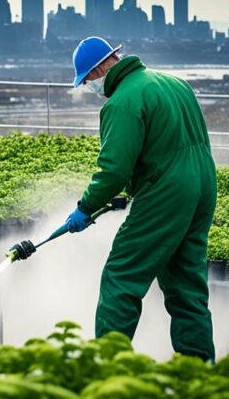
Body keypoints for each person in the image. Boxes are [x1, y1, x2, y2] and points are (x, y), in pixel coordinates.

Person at [64, 36, 216, 361]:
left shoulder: (122, 102)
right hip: (202, 185)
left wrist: (85, 207)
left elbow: (114, 169)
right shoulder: (173, 83)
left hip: (166, 192)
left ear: (102, 66)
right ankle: (200, 374)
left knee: (121, 277)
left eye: (88, 78)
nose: (90, 86)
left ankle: (109, 372)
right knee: (186, 287)